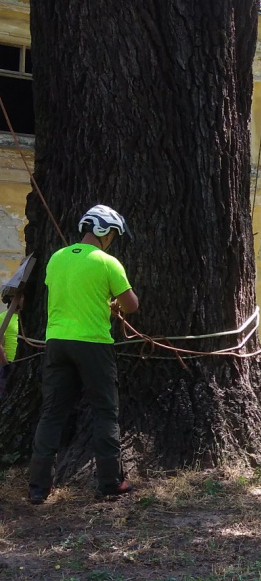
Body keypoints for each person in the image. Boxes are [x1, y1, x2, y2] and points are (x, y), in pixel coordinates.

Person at [28, 205, 139, 505]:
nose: (113, 239)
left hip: (56, 343)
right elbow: (131, 305)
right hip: (93, 344)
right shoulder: (108, 263)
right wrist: (113, 303)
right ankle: (110, 483)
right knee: (104, 412)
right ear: (104, 230)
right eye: (113, 233)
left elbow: (68, 292)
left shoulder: (56, 258)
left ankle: (38, 487)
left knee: (52, 413)